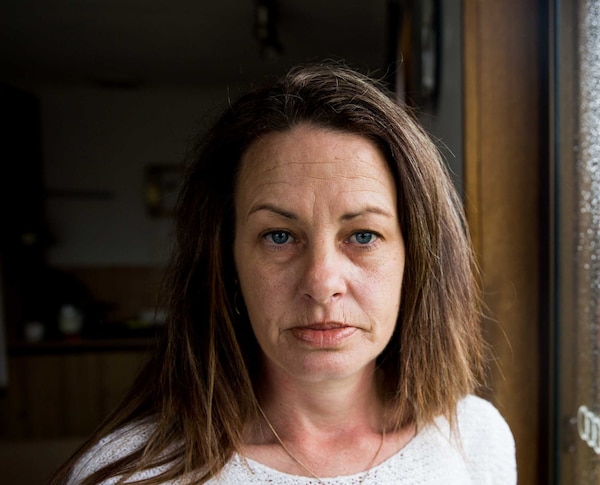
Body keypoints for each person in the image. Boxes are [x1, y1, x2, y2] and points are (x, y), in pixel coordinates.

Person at [50, 63, 516, 484]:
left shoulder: (475, 438)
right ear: (227, 261)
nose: (321, 282)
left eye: (363, 235)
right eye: (278, 236)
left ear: (417, 258)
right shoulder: (131, 475)